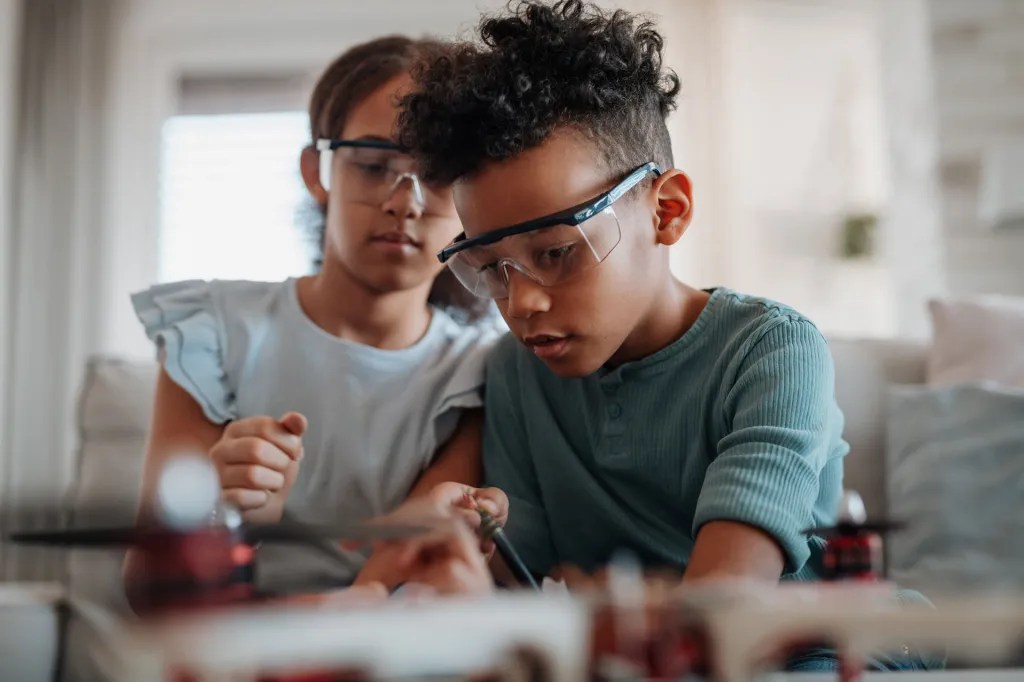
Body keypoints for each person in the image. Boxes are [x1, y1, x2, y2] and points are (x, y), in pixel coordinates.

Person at [396, 0, 940, 671]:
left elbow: (722, 603)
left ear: (668, 210)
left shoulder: (770, 352)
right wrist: (482, 552)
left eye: (558, 252)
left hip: (818, 651)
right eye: (490, 268)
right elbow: (536, 593)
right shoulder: (514, 373)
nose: (523, 301)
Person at [124, 35, 500, 596]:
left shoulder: (477, 374)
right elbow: (148, 594)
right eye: (375, 166)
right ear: (317, 171)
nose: (405, 201)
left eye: (440, 174)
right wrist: (231, 521)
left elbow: (406, 577)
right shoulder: (212, 336)